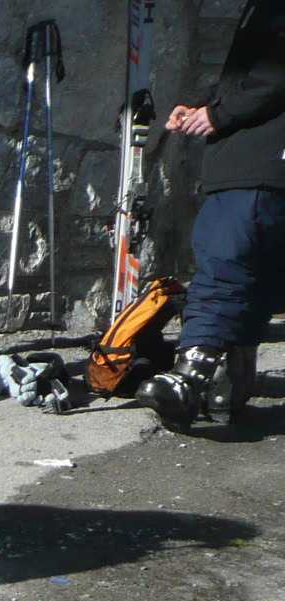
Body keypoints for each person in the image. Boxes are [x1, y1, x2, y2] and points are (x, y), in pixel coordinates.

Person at [139, 0, 285, 429]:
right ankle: (227, 389)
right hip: (259, 161)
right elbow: (248, 77)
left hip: (258, 160)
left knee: (225, 261)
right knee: (253, 273)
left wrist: (217, 114)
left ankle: (190, 380)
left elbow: (274, 75)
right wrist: (203, 105)